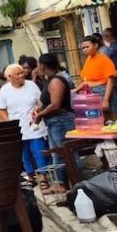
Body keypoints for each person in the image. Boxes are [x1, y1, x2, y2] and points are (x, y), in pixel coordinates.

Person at [32, 54, 79, 194]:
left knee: (67, 151)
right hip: (53, 122)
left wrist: (40, 114)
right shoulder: (50, 80)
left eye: (38, 65)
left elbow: (55, 105)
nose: (37, 68)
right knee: (57, 153)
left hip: (61, 121)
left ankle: (77, 181)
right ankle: (60, 183)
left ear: (43, 66)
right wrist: (39, 111)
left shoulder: (57, 81)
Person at [0, 64, 49, 186]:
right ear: (10, 77)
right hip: (17, 127)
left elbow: (41, 103)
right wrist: (8, 122)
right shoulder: (4, 90)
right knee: (23, 153)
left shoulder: (31, 85)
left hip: (34, 124)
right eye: (18, 74)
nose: (22, 75)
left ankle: (43, 177)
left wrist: (38, 111)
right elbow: (1, 109)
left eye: (22, 72)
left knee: (38, 150)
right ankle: (30, 176)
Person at [78, 35, 114, 114]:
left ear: (95, 45)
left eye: (87, 47)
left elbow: (110, 81)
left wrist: (106, 100)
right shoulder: (88, 59)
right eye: (83, 48)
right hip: (91, 94)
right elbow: (86, 79)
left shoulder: (104, 60)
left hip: (102, 91)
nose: (85, 50)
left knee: (109, 119)